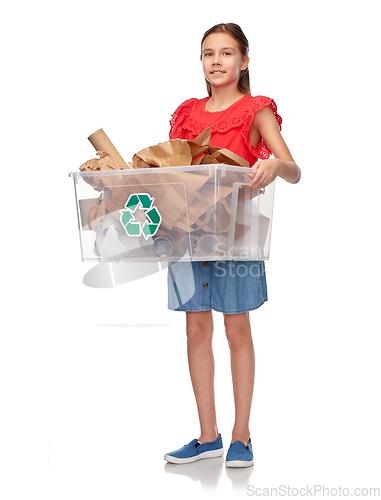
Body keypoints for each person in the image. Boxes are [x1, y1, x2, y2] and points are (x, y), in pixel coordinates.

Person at [164, 23, 301, 468]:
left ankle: (241, 434)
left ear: (244, 61)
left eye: (227, 53)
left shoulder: (255, 110)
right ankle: (208, 436)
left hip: (237, 234)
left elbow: (294, 169)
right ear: (201, 62)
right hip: (187, 233)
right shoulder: (186, 112)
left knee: (236, 328)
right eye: (208, 53)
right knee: (195, 330)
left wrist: (273, 166)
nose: (217, 61)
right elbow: (172, 168)